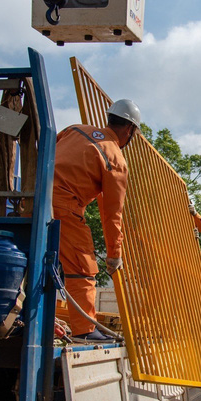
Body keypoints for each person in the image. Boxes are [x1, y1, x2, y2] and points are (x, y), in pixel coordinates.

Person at [51, 99, 141, 340]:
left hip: (32, 197)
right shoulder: (116, 161)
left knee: (40, 263)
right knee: (82, 267)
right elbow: (112, 215)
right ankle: (84, 330)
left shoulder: (76, 129)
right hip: (63, 207)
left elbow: (49, 150)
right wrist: (114, 255)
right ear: (130, 130)